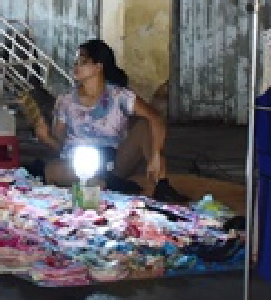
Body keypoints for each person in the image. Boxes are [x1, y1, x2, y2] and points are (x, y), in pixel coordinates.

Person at [30, 39, 173, 198]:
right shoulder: (65, 100)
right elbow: (60, 145)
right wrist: (45, 138)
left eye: (83, 61)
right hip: (77, 164)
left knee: (144, 125)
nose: (76, 66)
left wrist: (156, 154)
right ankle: (106, 185)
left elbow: (156, 119)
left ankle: (162, 185)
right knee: (52, 170)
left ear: (99, 66)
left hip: (113, 163)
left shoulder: (119, 95)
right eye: (76, 61)